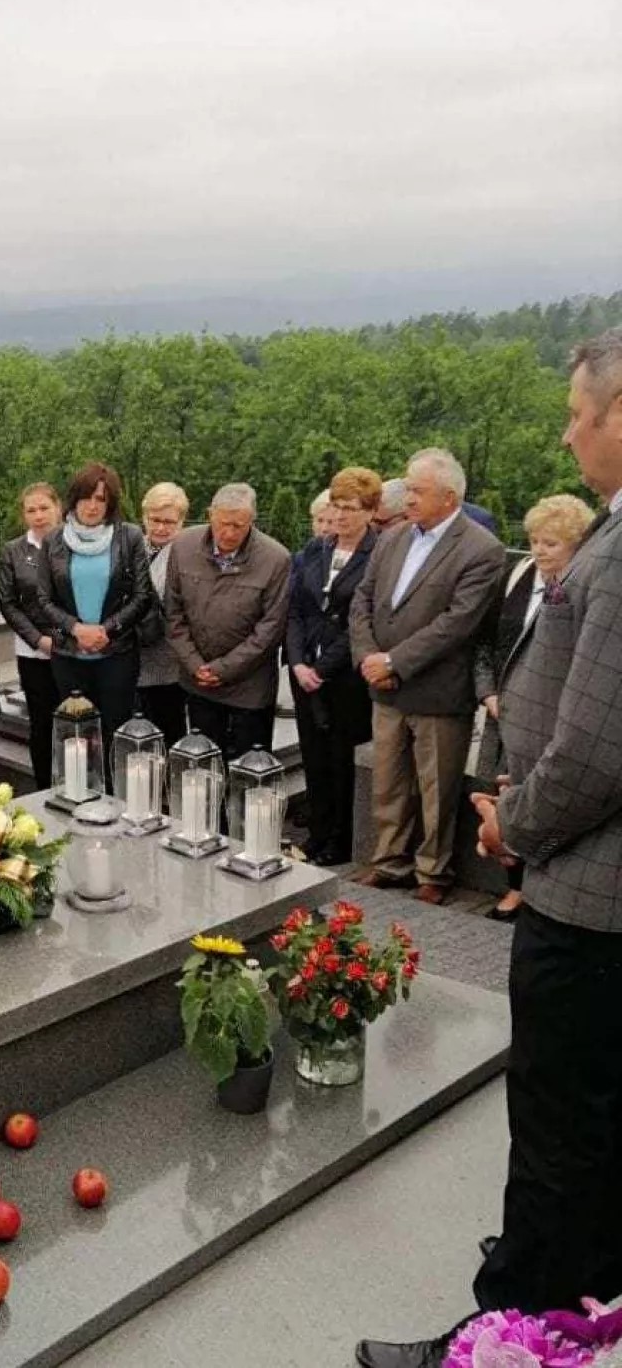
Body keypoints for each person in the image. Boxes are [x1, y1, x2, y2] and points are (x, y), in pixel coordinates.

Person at [356, 330, 622, 1366]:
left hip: (588, 898)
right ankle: (581, 1271)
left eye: (575, 412)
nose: (562, 429)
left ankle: (504, 1330)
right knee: (594, 1117)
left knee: (553, 1123)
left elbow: (596, 750)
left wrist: (512, 820)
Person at [349, 448, 505, 906]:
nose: (407, 497)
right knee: (388, 781)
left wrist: (393, 661)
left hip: (437, 693)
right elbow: (362, 600)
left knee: (437, 789)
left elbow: (457, 624)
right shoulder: (394, 538)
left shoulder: (482, 549)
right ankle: (389, 861)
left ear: (449, 496)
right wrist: (368, 658)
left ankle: (433, 871)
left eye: (417, 490)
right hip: (384, 688)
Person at [472, 493, 594, 922]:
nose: (539, 550)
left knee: (535, 794)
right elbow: (485, 640)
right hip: (500, 715)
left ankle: (529, 890)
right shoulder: (518, 574)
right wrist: (488, 693)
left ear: (576, 546)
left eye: (551, 543)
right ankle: (511, 884)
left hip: (550, 720)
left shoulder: (585, 590)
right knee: (499, 793)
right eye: (535, 540)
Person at [286, 467, 381, 865]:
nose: (340, 517)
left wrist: (323, 668)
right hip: (303, 670)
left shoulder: (378, 555)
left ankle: (341, 841)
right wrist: (296, 663)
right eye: (336, 507)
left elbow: (363, 618)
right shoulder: (315, 550)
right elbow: (295, 610)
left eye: (350, 508)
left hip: (344, 677)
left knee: (341, 757)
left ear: (370, 511)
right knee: (313, 756)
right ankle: (318, 834)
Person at [36, 462, 155, 779]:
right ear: (73, 499)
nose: (92, 506)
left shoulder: (128, 537)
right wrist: (76, 629)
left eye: (100, 499)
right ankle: (79, 798)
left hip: (116, 654)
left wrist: (107, 629)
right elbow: (43, 599)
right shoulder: (54, 540)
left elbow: (143, 595)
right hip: (69, 655)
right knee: (77, 735)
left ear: (111, 503)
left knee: (116, 731)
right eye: (86, 497)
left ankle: (117, 802)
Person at [165, 482, 290, 765]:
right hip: (198, 681)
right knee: (203, 766)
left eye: (239, 525)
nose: (230, 533)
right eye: (224, 523)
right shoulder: (183, 546)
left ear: (252, 522)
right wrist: (196, 664)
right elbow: (173, 613)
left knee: (249, 770)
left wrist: (224, 668)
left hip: (250, 688)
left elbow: (271, 627)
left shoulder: (275, 558)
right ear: (210, 514)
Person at [0, 483, 61, 788]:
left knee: (78, 723)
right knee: (41, 723)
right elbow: (8, 603)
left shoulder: (75, 544)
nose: (38, 515)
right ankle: (45, 788)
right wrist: (38, 639)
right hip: (33, 651)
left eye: (44, 508)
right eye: (31, 510)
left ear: (58, 508)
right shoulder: (13, 551)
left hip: (74, 648)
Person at [136, 481, 190, 748]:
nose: (160, 527)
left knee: (169, 734)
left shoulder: (187, 554)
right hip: (133, 659)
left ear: (181, 522)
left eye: (168, 521)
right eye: (154, 519)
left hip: (168, 663)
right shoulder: (134, 547)